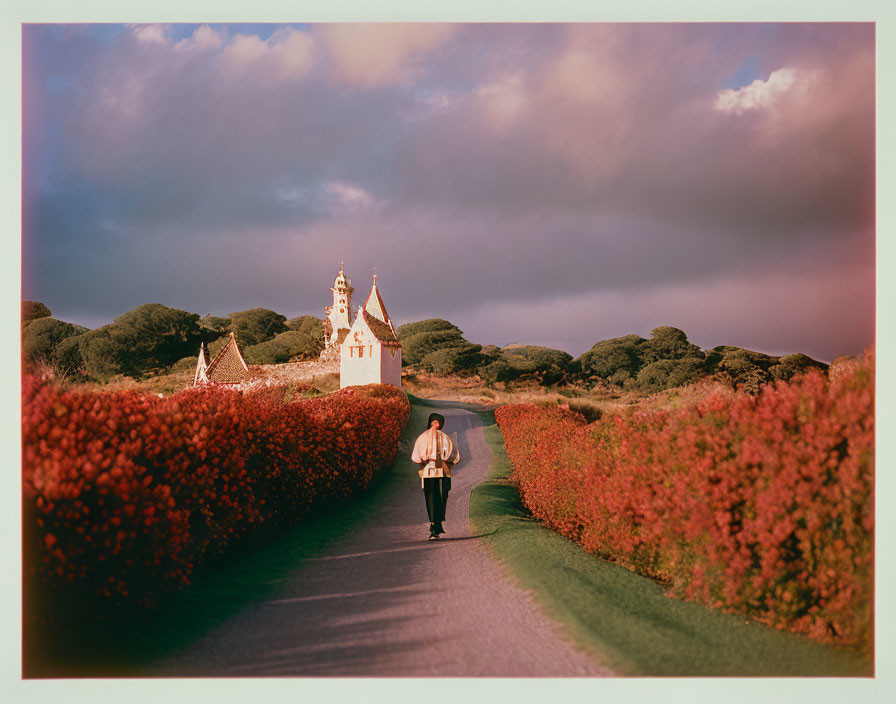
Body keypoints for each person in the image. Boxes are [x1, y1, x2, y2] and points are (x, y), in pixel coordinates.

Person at [411, 412, 460, 541]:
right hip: (428, 472)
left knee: (442, 497)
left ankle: (438, 523)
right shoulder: (422, 438)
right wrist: (423, 463)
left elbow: (454, 456)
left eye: (438, 423)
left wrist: (447, 464)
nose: (435, 425)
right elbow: (416, 456)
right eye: (433, 422)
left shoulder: (445, 438)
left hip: (443, 472)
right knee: (431, 499)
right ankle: (434, 526)